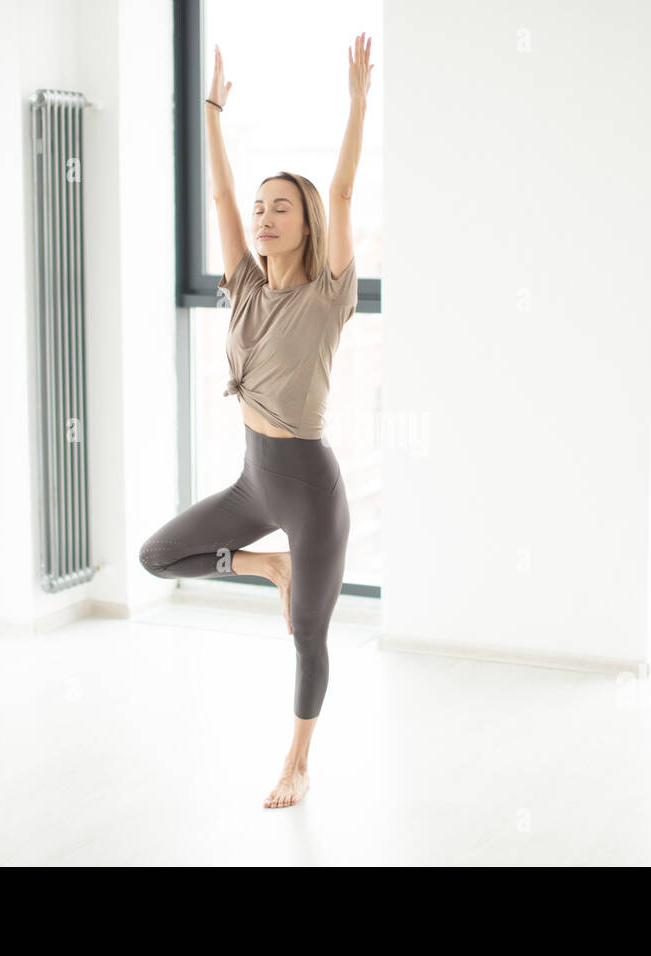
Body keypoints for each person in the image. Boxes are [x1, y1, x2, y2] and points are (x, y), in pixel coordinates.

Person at [139, 34, 374, 809]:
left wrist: (358, 103)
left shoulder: (329, 293)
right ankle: (263, 566)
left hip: (308, 488)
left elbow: (341, 193)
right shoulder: (241, 282)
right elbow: (217, 196)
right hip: (252, 481)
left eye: (281, 209)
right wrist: (210, 113)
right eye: (260, 207)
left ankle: (297, 761)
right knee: (160, 556)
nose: (265, 217)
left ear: (305, 224)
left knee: (307, 636)